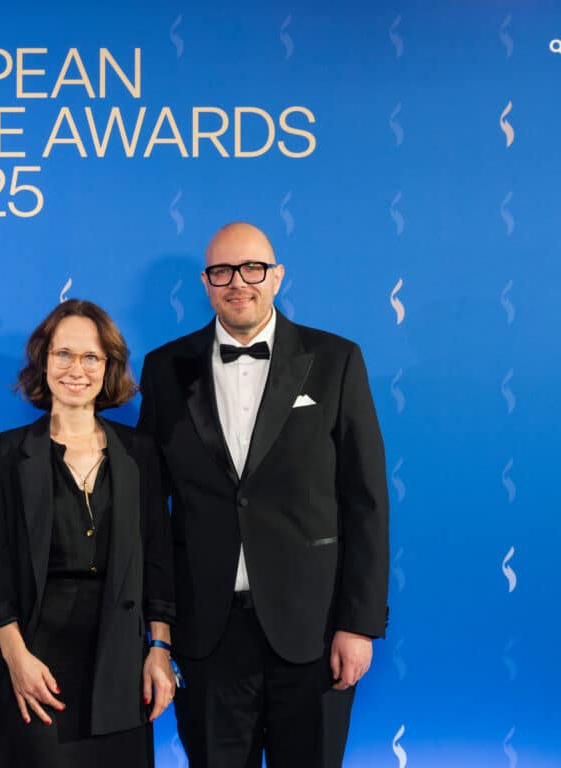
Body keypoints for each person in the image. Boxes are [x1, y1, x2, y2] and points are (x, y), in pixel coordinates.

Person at [137, 222, 389, 768]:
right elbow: (150, 511)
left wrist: (359, 624)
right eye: (222, 271)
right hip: (207, 635)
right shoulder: (164, 368)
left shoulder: (335, 360)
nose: (238, 283)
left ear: (276, 277)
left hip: (314, 632)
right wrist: (159, 631)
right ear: (206, 283)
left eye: (252, 269)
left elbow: (365, 500)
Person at [0, 299, 178, 768]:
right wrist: (16, 660)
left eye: (91, 357)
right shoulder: (5, 455)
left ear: (108, 367)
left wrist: (160, 649)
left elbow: (158, 561)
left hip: (122, 664)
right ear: (43, 361)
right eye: (63, 354)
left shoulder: (140, 453)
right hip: (35, 663)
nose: (76, 369)